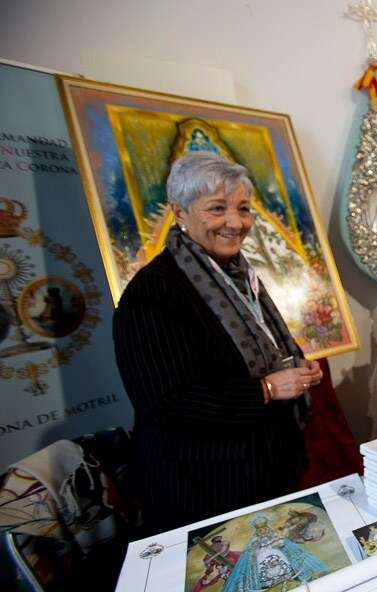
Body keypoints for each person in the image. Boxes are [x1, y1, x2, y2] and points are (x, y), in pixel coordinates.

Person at [113, 151, 323, 535]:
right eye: (216, 208)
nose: (234, 222)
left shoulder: (238, 275)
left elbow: (264, 345)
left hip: (266, 469)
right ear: (179, 212)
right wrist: (269, 388)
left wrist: (298, 366)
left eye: (243, 208)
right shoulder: (155, 292)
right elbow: (167, 403)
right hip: (202, 488)